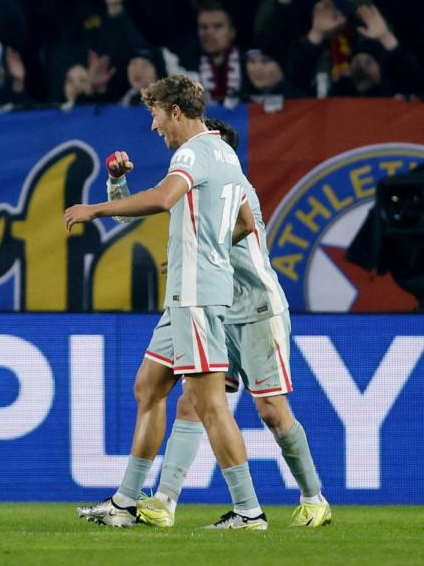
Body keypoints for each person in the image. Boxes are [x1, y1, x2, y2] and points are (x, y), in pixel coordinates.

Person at [64, 74, 267, 530]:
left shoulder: (191, 152)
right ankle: (125, 502)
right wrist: (201, 247)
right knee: (149, 386)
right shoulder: (225, 153)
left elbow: (161, 200)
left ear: (176, 111)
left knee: (208, 402)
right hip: (188, 291)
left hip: (196, 295)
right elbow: (246, 221)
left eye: (155, 115)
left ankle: (249, 510)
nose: (154, 126)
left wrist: (94, 209)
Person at [133, 118, 332, 529]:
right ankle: (164, 501)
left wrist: (200, 254)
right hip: (218, 307)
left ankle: (314, 499)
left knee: (272, 411)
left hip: (258, 307)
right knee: (193, 399)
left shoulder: (234, 189)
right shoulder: (209, 186)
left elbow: (233, 232)